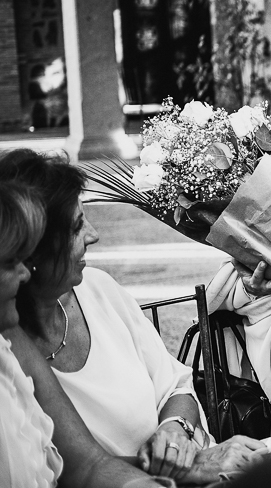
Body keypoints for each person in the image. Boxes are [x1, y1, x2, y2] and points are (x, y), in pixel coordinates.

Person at [0, 149, 264, 484]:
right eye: (77, 227)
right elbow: (72, 471)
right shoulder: (11, 347)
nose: (94, 235)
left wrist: (176, 430)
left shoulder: (100, 290)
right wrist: (185, 469)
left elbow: (177, 385)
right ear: (34, 251)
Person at [0, 181, 159, 488]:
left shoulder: (10, 340)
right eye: (10, 261)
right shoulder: (13, 335)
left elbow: (88, 465)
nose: (22, 273)